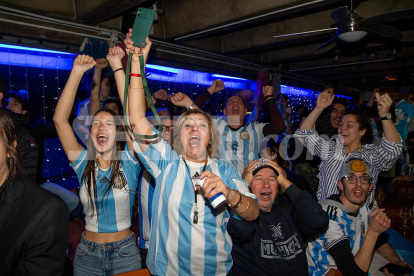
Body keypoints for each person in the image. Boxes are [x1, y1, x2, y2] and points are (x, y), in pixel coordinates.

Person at [125, 33, 259, 276]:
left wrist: (229, 194)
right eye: (187, 125)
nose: (194, 128)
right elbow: (136, 118)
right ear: (179, 136)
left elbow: (253, 212)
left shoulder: (225, 170)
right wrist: (136, 63)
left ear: (211, 137)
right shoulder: (165, 163)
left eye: (202, 124)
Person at [53, 54, 142, 275]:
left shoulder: (130, 160)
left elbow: (133, 117)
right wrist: (76, 72)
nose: (101, 127)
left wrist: (120, 68)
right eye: (96, 124)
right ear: (90, 132)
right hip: (87, 255)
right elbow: (60, 120)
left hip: (126, 254)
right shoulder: (83, 162)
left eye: (109, 123)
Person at [307, 159, 413, 276]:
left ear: (370, 186)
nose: (358, 184)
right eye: (351, 178)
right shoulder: (329, 215)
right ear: (340, 185)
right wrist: (373, 232)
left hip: (354, 264)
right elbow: (352, 272)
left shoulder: (363, 208)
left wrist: (397, 262)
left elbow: (379, 242)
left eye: (364, 179)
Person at [294, 89, 402, 203]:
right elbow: (304, 134)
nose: (342, 128)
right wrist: (319, 107)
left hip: (356, 219)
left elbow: (392, 150)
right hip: (326, 218)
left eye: (349, 125)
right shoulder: (331, 150)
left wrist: (385, 116)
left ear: (362, 131)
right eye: (341, 124)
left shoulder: (370, 155)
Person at [228, 158, 328, 275]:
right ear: (249, 185)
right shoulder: (237, 215)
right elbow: (240, 231)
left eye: (272, 179)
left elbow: (319, 221)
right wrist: (242, 186)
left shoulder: (288, 207)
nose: (266, 185)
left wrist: (285, 182)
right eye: (259, 179)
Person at [0, 108, 69, 275]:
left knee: (71, 200)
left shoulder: (45, 212)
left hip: (34, 187)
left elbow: (60, 122)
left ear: (11, 149)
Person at [4, 90, 80, 212]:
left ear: (24, 111)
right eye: (7, 104)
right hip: (12, 187)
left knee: (72, 200)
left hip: (37, 183)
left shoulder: (35, 131)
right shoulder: (3, 134)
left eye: (15, 103)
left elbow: (61, 128)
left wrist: (69, 107)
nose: (10, 106)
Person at [191, 80, 286, 174]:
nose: (235, 103)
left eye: (239, 102)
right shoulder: (216, 126)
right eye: (231, 102)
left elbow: (279, 127)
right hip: (221, 185)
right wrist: (210, 90)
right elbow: (191, 114)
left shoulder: (256, 129)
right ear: (224, 111)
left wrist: (269, 97)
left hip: (247, 185)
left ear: (245, 111)